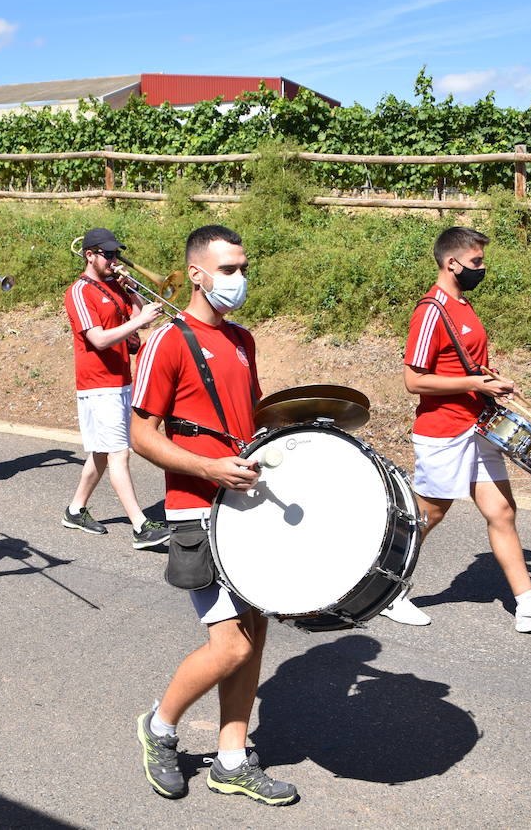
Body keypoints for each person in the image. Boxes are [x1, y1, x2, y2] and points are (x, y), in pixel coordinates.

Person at [130, 224, 297, 807]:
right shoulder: (168, 340)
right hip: (198, 510)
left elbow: (246, 421)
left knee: (255, 634)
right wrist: (208, 468)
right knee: (230, 647)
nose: (240, 278)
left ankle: (231, 760)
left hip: (247, 504)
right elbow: (141, 435)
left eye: (243, 267)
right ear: (196, 275)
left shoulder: (242, 339)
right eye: (228, 269)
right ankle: (159, 727)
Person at [381, 226, 531, 633]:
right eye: (476, 261)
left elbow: (462, 364)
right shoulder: (430, 311)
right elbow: (414, 381)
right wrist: (474, 383)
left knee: (502, 511)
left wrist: (491, 380)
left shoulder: (463, 306)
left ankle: (528, 608)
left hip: (479, 427)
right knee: (427, 516)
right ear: (451, 263)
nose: (482, 268)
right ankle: (386, 592)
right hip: (444, 432)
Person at [61, 227, 169, 549]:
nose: (114, 260)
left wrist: (133, 293)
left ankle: (75, 510)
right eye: (107, 254)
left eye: (115, 254)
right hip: (97, 384)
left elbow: (137, 321)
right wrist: (139, 320)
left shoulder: (113, 285)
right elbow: (98, 339)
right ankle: (140, 526)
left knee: (101, 453)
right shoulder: (79, 291)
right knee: (119, 453)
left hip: (121, 379)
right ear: (89, 255)